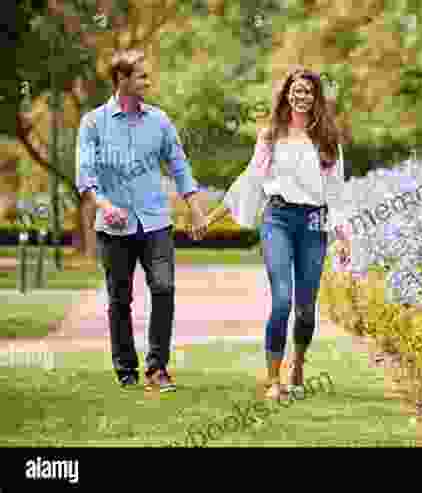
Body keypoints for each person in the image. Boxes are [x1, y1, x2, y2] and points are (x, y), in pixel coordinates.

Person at [205, 66, 354, 400]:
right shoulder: (271, 136)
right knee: (283, 299)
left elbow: (336, 193)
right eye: (294, 90)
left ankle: (297, 365)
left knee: (305, 306)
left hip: (315, 223)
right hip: (278, 219)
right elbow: (249, 182)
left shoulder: (328, 140)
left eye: (307, 91)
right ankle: (273, 380)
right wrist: (212, 218)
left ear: (316, 97)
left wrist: (343, 235)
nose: (300, 96)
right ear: (286, 94)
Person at [75, 48, 208, 392]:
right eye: (142, 76)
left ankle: (157, 367)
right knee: (120, 300)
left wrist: (195, 206)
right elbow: (86, 176)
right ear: (121, 80)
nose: (148, 82)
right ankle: (126, 369)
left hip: (155, 223)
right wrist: (104, 205)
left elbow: (179, 166)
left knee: (164, 289)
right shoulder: (93, 123)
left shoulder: (160, 121)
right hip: (113, 228)